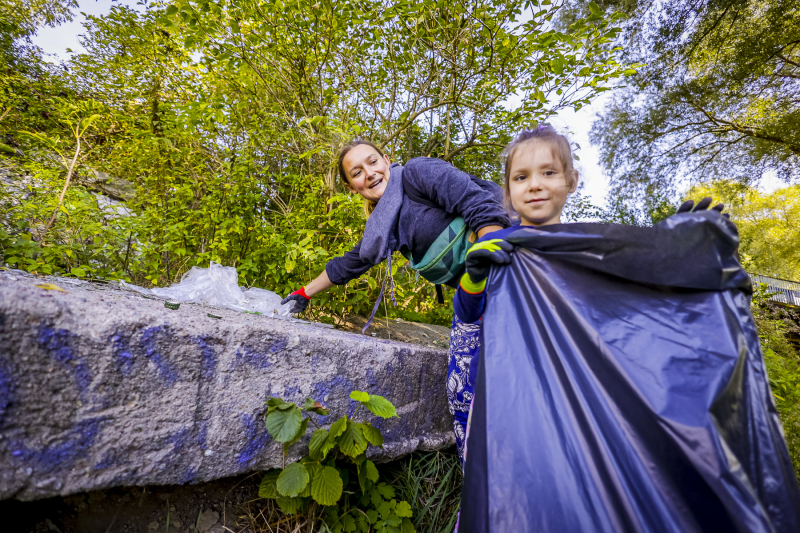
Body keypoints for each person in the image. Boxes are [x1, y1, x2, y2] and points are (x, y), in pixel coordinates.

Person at [280, 140, 511, 459]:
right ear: (351, 186)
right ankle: (480, 478)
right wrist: (304, 292)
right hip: (472, 296)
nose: (369, 173)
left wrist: (491, 264)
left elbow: (479, 204)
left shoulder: (418, 172)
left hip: (510, 269)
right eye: (357, 172)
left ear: (386, 160)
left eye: (373, 161)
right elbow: (350, 263)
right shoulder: (382, 226)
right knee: (462, 390)